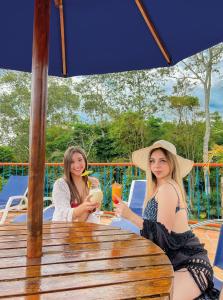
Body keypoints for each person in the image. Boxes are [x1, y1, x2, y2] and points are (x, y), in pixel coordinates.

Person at [115, 140, 220, 300]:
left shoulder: (167, 189)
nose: (156, 165)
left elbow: (162, 238)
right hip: (171, 261)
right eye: (152, 161)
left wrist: (129, 215)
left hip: (190, 264)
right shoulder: (157, 188)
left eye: (162, 160)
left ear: (172, 163)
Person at [52, 146, 100, 223]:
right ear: (67, 165)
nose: (77, 165)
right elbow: (63, 214)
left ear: (85, 160)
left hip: (85, 229)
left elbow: (95, 213)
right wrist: (84, 207)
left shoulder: (91, 183)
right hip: (62, 230)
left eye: (80, 160)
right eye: (72, 162)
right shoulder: (60, 185)